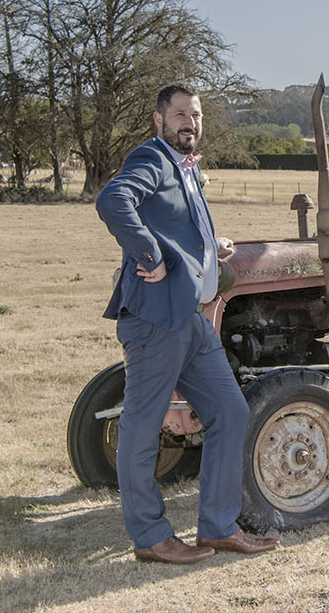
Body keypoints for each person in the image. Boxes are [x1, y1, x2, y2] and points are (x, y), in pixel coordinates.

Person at [95, 84, 279, 564]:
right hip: (157, 320)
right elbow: (114, 200)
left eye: (195, 115)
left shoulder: (184, 168)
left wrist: (206, 248)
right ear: (158, 121)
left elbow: (175, 223)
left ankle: (217, 527)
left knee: (230, 412)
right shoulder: (152, 158)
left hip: (192, 321)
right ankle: (151, 537)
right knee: (142, 427)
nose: (189, 122)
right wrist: (149, 253)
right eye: (179, 114)